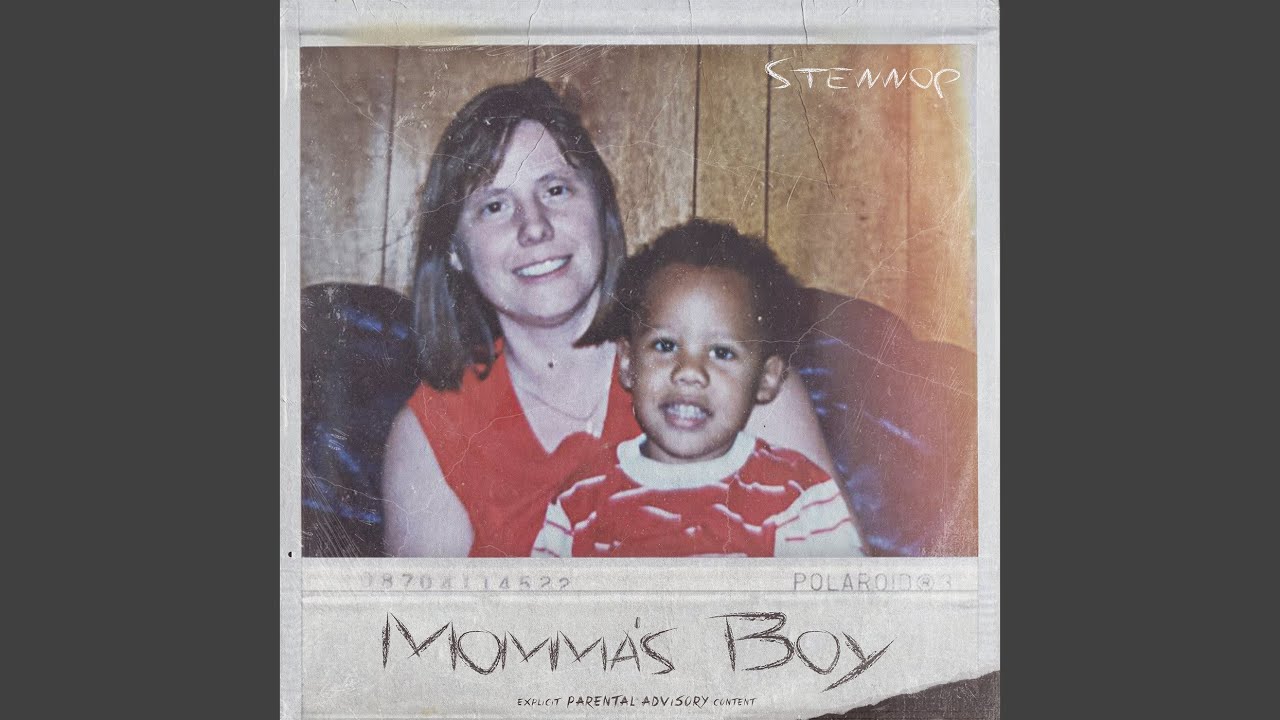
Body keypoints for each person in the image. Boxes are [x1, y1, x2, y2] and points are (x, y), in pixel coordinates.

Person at [381, 78, 836, 557]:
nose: (534, 226)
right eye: (494, 206)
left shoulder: (728, 367)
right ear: (454, 250)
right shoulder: (433, 434)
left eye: (556, 189)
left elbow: (835, 584)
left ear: (601, 207)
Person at [530, 220, 865, 557]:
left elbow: (834, 591)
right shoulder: (579, 503)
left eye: (722, 353)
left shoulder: (799, 497)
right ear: (629, 363)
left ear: (767, 378)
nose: (689, 372)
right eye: (665, 345)